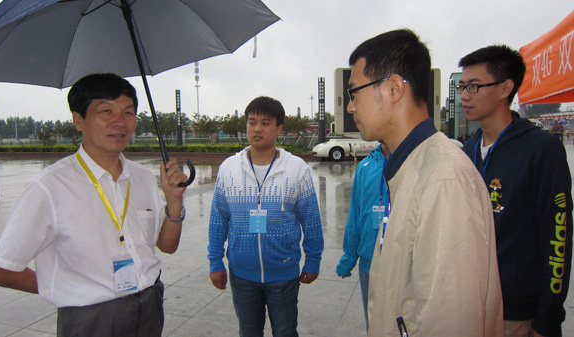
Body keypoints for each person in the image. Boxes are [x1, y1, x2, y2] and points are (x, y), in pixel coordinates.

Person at [0, 73, 188, 337]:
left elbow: (167, 246)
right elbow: (1, 270)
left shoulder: (142, 178)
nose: (120, 122)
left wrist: (174, 202)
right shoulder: (48, 187)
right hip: (91, 317)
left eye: (128, 112)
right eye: (106, 110)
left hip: (149, 305)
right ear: (78, 120)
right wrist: (65, 287)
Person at [346, 29, 503, 337]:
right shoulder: (409, 168)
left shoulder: (442, 181)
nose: (351, 106)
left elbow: (452, 322)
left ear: (392, 88)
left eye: (355, 93)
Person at [458, 45, 573, 337]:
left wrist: (547, 318)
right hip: (471, 307)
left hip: (519, 313)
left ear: (505, 88)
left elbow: (557, 236)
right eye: (462, 86)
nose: (464, 96)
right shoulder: (467, 151)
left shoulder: (542, 150)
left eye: (474, 86)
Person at [207, 96, 324, 337]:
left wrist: (313, 260)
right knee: (249, 332)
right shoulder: (229, 168)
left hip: (284, 273)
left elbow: (310, 218)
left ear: (279, 128)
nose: (257, 128)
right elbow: (218, 218)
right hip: (241, 274)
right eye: (252, 122)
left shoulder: (296, 168)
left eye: (265, 123)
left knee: (285, 331)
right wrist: (215, 261)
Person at [336, 142, 389, 330]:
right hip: (369, 264)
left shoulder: (413, 161)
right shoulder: (366, 166)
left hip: (403, 266)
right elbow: (355, 216)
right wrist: (349, 258)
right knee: (374, 325)